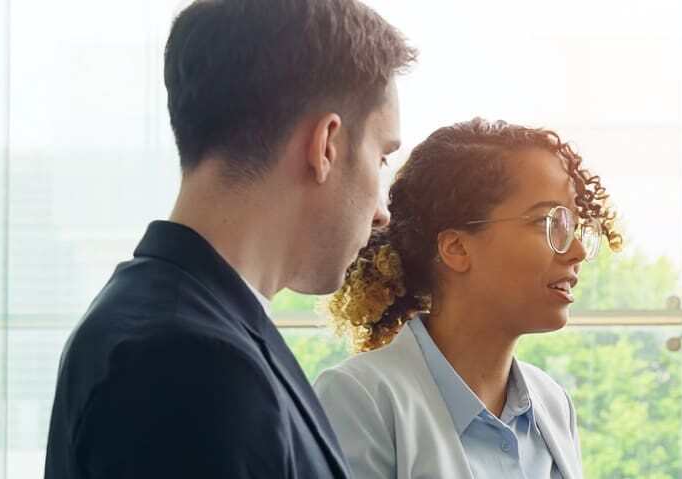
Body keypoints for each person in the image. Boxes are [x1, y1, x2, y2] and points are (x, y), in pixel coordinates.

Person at [42, 0, 415, 477]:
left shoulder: (163, 322)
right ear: (326, 145)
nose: (382, 213)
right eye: (381, 158)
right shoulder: (191, 365)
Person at [313, 118, 619, 479]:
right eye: (547, 222)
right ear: (456, 248)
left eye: (573, 226)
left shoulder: (553, 404)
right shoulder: (359, 399)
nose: (578, 251)